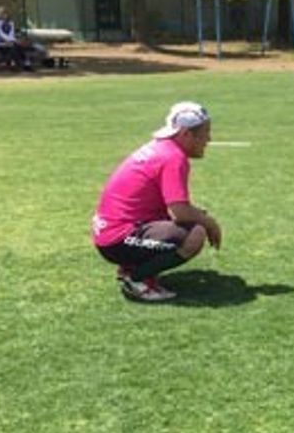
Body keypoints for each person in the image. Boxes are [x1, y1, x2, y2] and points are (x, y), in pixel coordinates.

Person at [92, 102, 223, 302]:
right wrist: (210, 223)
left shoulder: (161, 148)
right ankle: (137, 278)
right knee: (195, 234)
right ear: (186, 134)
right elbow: (180, 211)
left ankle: (132, 267)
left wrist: (199, 215)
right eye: (206, 132)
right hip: (118, 239)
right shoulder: (173, 157)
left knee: (193, 221)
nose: (209, 139)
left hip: (110, 234)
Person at [0, 6, 32, 70]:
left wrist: (12, 41)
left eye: (5, 13)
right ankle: (22, 64)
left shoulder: (11, 23)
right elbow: (1, 34)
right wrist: (12, 41)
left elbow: (11, 34)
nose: (3, 15)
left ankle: (25, 63)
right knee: (15, 47)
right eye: (1, 14)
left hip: (10, 43)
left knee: (17, 47)